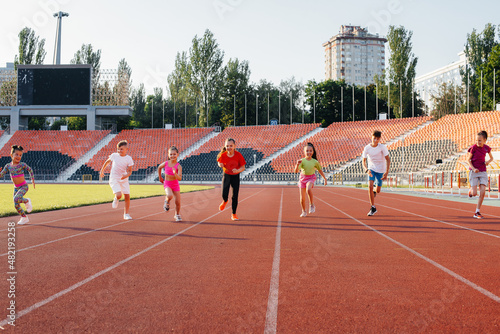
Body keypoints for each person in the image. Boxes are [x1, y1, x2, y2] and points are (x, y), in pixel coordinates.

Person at [0, 145, 35, 225]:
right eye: (16, 154)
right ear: (11, 155)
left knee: (16, 199)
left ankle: (27, 200)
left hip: (23, 186)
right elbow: (1, 175)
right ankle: (24, 217)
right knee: (16, 204)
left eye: (20, 155)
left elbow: (30, 169)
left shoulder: (22, 165)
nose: (18, 156)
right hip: (16, 187)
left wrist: (32, 179)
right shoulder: (8, 166)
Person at [100, 140, 134, 220]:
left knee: (127, 196)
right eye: (118, 149)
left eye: (121, 149)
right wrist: (102, 170)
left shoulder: (129, 159)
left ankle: (126, 214)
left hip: (124, 178)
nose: (119, 151)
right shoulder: (114, 155)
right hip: (114, 178)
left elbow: (129, 171)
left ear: (126, 149)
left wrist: (126, 175)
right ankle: (116, 198)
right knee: (119, 195)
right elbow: (107, 162)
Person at [294, 142, 328, 217]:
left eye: (310, 151)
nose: (309, 152)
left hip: (311, 177)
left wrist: (325, 178)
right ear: (304, 152)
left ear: (313, 151)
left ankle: (311, 205)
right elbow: (296, 171)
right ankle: (303, 211)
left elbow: (320, 170)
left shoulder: (315, 162)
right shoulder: (302, 161)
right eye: (307, 151)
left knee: (308, 189)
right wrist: (297, 164)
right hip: (302, 178)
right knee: (302, 199)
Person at [362, 130, 390, 216]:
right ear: (371, 137)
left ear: (380, 139)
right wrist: (366, 169)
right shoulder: (367, 148)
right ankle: (373, 207)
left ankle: (374, 190)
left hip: (381, 170)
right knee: (370, 186)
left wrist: (386, 172)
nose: (376, 140)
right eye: (374, 138)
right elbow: (363, 161)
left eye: (378, 139)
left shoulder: (382, 147)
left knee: (378, 191)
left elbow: (388, 159)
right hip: (371, 169)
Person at [467, 130, 494, 219]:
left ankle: (477, 211)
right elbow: (468, 160)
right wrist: (474, 169)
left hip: (483, 171)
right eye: (477, 140)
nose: (478, 142)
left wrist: (488, 162)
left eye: (480, 140)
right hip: (474, 172)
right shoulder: (473, 148)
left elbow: (491, 158)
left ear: (484, 140)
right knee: (475, 193)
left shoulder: (487, 148)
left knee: (482, 192)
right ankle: (471, 191)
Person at [217, 138, 246, 221]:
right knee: (224, 193)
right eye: (227, 146)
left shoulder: (238, 155)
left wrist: (237, 170)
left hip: (235, 176)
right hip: (226, 175)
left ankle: (234, 214)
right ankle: (225, 201)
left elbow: (243, 167)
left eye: (231, 146)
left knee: (235, 196)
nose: (229, 147)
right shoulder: (223, 155)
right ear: (225, 146)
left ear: (234, 146)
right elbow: (219, 162)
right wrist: (220, 165)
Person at [158, 146, 183, 222]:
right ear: (168, 155)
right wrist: (160, 177)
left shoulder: (178, 166)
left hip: (175, 185)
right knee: (169, 195)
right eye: (171, 154)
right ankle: (167, 201)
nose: (172, 156)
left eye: (174, 154)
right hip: (167, 183)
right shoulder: (166, 163)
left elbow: (179, 178)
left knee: (178, 202)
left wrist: (175, 173)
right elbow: (159, 167)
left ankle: (177, 215)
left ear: (177, 155)